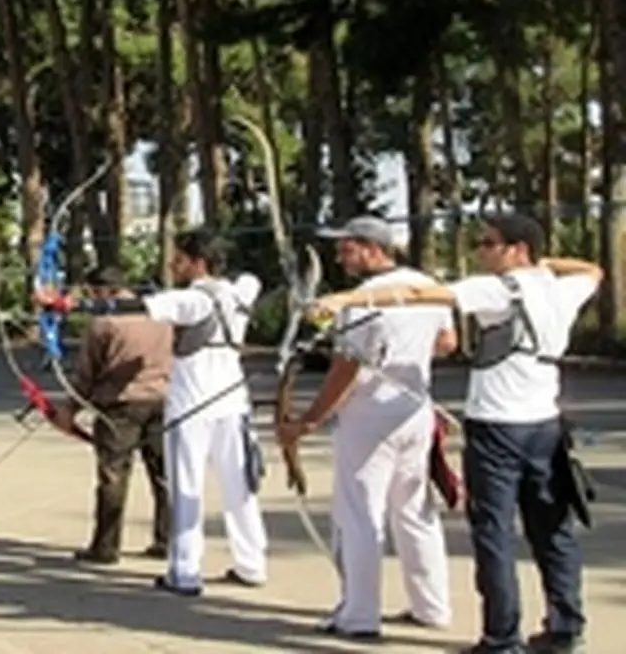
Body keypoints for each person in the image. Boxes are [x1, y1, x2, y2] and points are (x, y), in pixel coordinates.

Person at [310, 214, 601, 654]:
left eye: (488, 243)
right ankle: (565, 626)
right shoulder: (559, 288)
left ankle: (502, 638)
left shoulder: (496, 289)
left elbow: (420, 294)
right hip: (545, 424)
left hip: (497, 427)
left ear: (516, 249)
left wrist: (346, 299)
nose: (479, 251)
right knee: (552, 530)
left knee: (494, 533)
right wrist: (541, 264)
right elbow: (591, 270)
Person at [39, 228, 268, 596]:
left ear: (197, 263)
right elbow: (251, 279)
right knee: (238, 485)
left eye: (179, 259)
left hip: (194, 405)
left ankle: (185, 571)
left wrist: (68, 306)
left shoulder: (193, 299)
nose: (172, 264)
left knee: (186, 486)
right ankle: (252, 563)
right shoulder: (240, 292)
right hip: (232, 402)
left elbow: (131, 307)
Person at [277, 216, 454, 640]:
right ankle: (432, 606)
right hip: (414, 409)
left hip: (370, 417)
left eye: (349, 246)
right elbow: (448, 343)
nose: (341, 255)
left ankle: (358, 615)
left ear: (375, 249)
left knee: (359, 515)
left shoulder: (358, 300)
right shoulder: (427, 286)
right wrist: (407, 351)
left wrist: (308, 421)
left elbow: (346, 369)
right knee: (414, 511)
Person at [66, 265, 172, 565]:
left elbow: (87, 374)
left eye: (92, 292)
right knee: (163, 474)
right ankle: (168, 540)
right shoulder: (159, 315)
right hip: (162, 400)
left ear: (104, 291)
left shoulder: (104, 322)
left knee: (113, 475)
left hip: (120, 406)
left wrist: (70, 410)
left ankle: (106, 546)